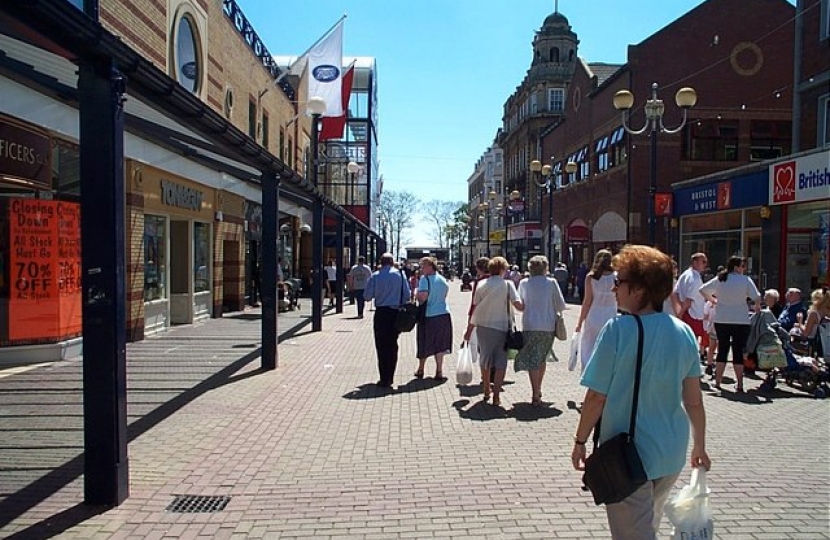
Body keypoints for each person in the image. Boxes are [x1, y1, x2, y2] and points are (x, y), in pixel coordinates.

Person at [571, 245, 711, 540]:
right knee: (649, 526)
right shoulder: (683, 331)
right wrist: (699, 445)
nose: (614, 288)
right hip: (671, 451)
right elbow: (694, 402)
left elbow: (596, 397)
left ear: (639, 289)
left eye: (619, 281)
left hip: (629, 454)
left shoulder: (618, 330)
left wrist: (580, 440)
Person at [463, 256, 523, 407]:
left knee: (485, 357)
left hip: (482, 325)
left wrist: (469, 329)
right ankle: (496, 394)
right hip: (502, 326)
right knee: (500, 360)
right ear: (503, 269)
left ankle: (485, 389)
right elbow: (518, 305)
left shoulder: (481, 284)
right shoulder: (508, 285)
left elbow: (475, 305)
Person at [699, 256, 761, 392]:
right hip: (740, 319)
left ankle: (717, 382)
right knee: (738, 351)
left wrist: (713, 300)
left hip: (722, 319)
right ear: (737, 267)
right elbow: (757, 296)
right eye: (742, 266)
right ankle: (739, 384)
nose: (744, 269)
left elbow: (702, 290)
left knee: (722, 351)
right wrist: (757, 307)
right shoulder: (745, 280)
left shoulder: (721, 279)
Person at [515, 255, 567, 405]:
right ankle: (538, 389)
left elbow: (521, 304)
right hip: (548, 325)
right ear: (545, 267)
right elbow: (560, 305)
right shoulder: (551, 283)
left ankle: (535, 391)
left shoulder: (524, 283)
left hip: (530, 325)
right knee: (541, 358)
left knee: (533, 358)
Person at [363, 253, 411, 388]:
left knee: (381, 345)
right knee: (393, 345)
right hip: (396, 314)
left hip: (381, 313)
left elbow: (367, 296)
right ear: (392, 262)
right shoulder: (401, 275)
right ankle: (391, 376)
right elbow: (407, 295)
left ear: (381, 262)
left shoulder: (375, 276)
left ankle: (383, 377)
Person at [575, 249, 618, 372]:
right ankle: (607, 369)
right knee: (609, 344)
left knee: (589, 343)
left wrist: (579, 322)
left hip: (594, 313)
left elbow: (587, 301)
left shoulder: (591, 277)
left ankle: (590, 369)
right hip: (611, 314)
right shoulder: (616, 276)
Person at [413, 257, 453, 380]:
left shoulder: (424, 280)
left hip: (428, 315)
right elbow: (444, 295)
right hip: (443, 314)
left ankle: (421, 369)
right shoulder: (442, 279)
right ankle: (439, 370)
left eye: (423, 266)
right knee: (440, 344)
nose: (421, 269)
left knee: (424, 341)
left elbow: (422, 298)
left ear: (430, 266)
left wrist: (416, 294)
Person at [673, 252, 709, 359]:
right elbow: (689, 299)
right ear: (695, 262)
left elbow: (675, 293)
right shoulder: (695, 279)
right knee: (691, 341)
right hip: (692, 313)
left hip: (686, 312)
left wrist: (678, 309)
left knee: (685, 340)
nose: (705, 264)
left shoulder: (685, 274)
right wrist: (681, 312)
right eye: (703, 262)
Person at [791, 287, 830, 359]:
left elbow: (806, 333)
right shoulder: (827, 313)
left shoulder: (814, 314)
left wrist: (799, 323)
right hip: (825, 345)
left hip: (813, 345)